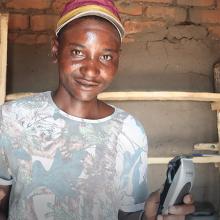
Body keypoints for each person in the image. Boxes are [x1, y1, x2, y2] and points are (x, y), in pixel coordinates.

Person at [0, 0, 195, 219]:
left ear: (118, 60)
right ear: (56, 50)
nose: (91, 70)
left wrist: (149, 213)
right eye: (77, 52)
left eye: (105, 57)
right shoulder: (13, 119)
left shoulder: (129, 131)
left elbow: (128, 215)